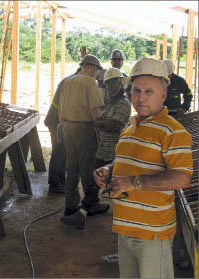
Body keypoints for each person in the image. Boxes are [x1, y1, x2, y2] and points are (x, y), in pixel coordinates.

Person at [94, 57, 193, 278]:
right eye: (136, 91)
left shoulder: (173, 132)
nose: (140, 98)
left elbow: (182, 178)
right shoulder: (130, 125)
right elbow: (123, 162)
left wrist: (135, 182)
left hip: (152, 233)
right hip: (124, 229)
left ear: (164, 95)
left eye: (149, 92)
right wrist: (110, 170)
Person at [59, 54, 109, 229]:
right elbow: (95, 110)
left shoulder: (68, 81)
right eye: (96, 71)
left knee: (71, 168)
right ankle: (92, 204)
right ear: (91, 68)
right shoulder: (89, 82)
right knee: (88, 168)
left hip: (68, 127)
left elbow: (60, 112)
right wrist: (102, 132)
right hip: (85, 128)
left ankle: (70, 206)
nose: (96, 74)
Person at [44, 67, 81, 194]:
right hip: (57, 120)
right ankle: (54, 184)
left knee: (64, 150)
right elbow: (63, 107)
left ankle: (60, 179)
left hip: (61, 119)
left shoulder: (74, 80)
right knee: (59, 150)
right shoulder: (71, 83)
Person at [94, 67, 131, 172]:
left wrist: (97, 124)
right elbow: (102, 121)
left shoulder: (124, 103)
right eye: (108, 83)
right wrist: (101, 122)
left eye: (114, 82)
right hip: (102, 152)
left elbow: (114, 125)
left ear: (120, 83)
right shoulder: (110, 103)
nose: (111, 86)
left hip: (115, 155)